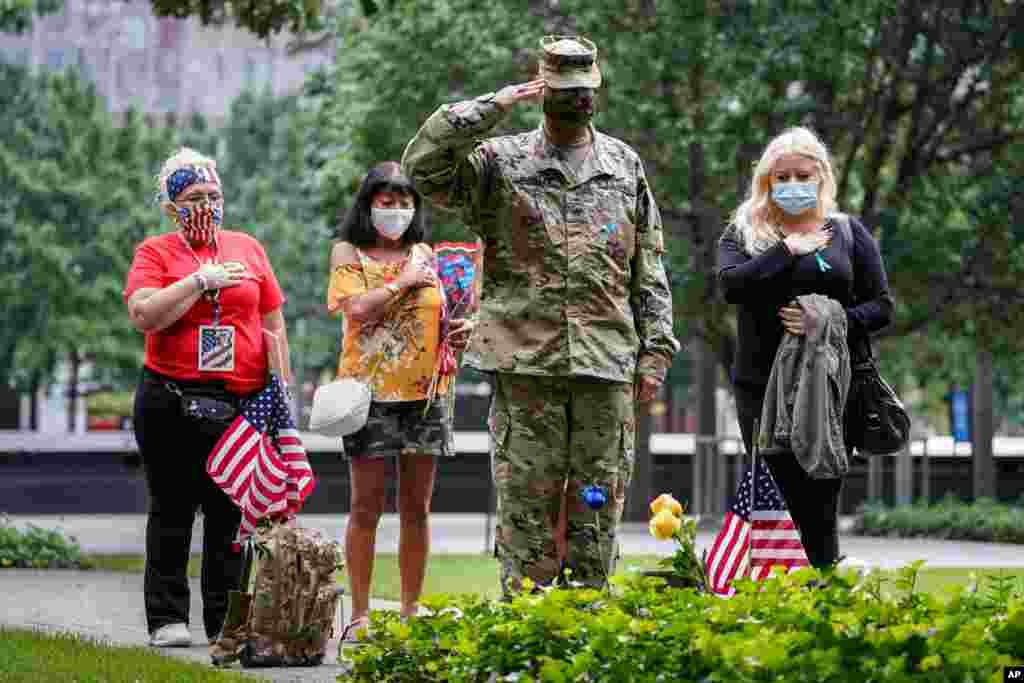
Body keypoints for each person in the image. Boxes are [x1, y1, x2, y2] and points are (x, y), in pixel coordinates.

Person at [403, 36, 679, 595]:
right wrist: (494, 106)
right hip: (526, 362)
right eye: (563, 91)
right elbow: (423, 168)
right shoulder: (499, 163)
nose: (577, 101)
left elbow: (646, 263)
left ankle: (586, 624)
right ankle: (527, 631)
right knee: (526, 501)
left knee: (597, 503)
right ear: (541, 90)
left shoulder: (623, 165)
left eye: (585, 91)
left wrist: (655, 351)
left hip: (607, 363)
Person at [124, 147, 292, 647]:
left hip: (239, 402)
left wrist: (282, 394)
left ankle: (224, 622)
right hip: (171, 400)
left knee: (229, 515)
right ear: (172, 206)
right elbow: (145, 314)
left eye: (213, 195)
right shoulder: (155, 253)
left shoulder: (248, 247)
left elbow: (272, 321)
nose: (206, 205)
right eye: (194, 197)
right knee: (172, 508)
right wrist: (197, 282)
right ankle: (167, 618)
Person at [717, 127, 894, 569]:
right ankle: (771, 603)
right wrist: (787, 251)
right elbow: (731, 286)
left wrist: (831, 320)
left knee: (821, 494)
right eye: (782, 177)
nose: (793, 184)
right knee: (773, 496)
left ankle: (824, 593)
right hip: (761, 389)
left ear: (821, 178)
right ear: (767, 182)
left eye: (803, 175)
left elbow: (882, 306)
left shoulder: (847, 233)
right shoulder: (743, 234)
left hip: (832, 387)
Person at [326, 162, 472, 641]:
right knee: (366, 506)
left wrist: (457, 330)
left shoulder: (425, 252)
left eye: (405, 201)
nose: (396, 210)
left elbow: (434, 313)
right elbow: (358, 310)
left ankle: (411, 609)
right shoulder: (348, 252)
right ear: (369, 204)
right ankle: (361, 615)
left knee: (417, 507)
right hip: (367, 397)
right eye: (386, 201)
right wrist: (406, 280)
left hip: (425, 395)